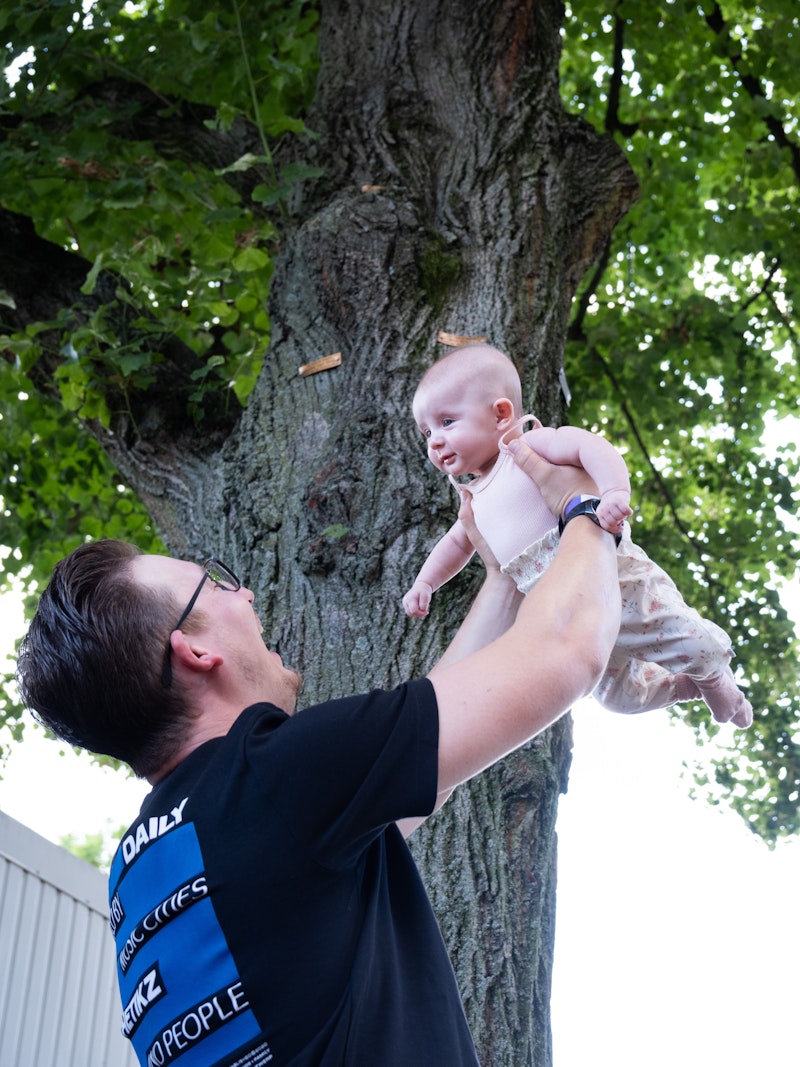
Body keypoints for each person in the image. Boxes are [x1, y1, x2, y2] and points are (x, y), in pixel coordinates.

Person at [16, 446, 621, 1067]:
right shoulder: (274, 777)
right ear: (194, 652)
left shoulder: (140, 871)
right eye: (216, 582)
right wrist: (582, 507)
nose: (246, 593)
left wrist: (502, 580)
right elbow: (569, 648)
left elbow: (415, 773)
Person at [403, 342, 752, 729]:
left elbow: (590, 447)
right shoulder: (474, 497)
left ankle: (717, 683)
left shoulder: (527, 445)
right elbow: (456, 544)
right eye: (427, 431)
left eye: (447, 422)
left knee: (691, 642)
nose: (434, 440)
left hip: (615, 579)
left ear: (501, 414)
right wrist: (426, 582)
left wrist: (615, 492)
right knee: (617, 698)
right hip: (565, 615)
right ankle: (682, 688)